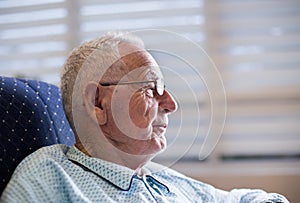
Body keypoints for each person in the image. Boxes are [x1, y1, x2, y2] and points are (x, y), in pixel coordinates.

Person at [0, 31, 289, 203]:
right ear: (97, 102)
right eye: (152, 88)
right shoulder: (49, 176)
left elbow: (235, 199)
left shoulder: (161, 177)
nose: (171, 104)